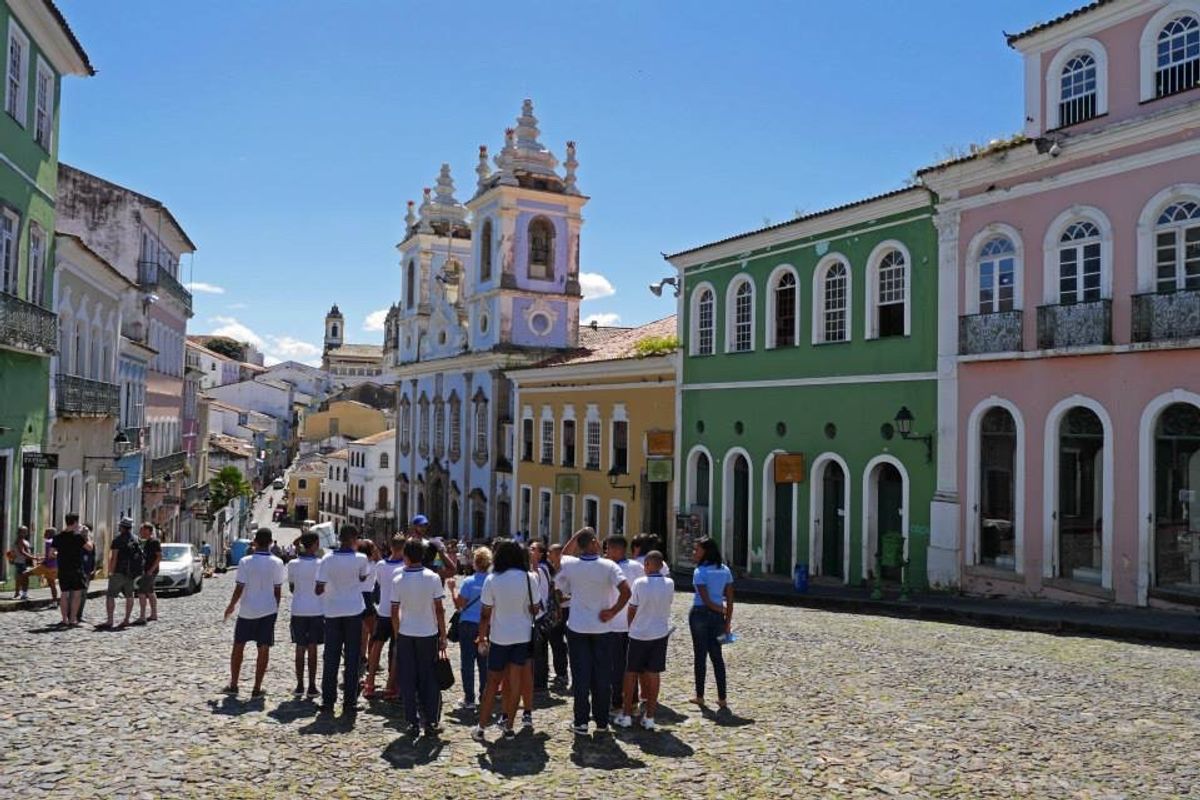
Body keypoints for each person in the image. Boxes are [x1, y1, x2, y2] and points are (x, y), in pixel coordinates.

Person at [556, 527, 630, 736]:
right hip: (602, 628)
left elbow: (564, 554)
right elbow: (626, 591)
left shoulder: (571, 565)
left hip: (577, 627)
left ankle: (581, 721)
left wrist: (579, 533)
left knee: (580, 676)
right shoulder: (609, 566)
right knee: (602, 676)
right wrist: (613, 611)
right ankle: (601, 721)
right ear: (594, 543)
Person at [471, 539, 540, 742]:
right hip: (522, 635)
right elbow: (535, 609)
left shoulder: (492, 579)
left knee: (492, 682)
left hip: (500, 636)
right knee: (515, 680)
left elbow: (485, 614)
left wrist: (482, 636)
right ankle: (509, 726)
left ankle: (481, 727)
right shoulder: (529, 578)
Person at [390, 537, 448, 737]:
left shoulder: (398, 579)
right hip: (428, 633)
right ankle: (431, 720)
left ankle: (412, 721)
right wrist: (443, 634)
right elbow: (439, 609)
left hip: (406, 633)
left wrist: (397, 634)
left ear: (405, 556)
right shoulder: (433, 578)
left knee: (407, 678)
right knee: (429, 678)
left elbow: (394, 611)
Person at [315, 525, 371, 714]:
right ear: (354, 539)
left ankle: (328, 701)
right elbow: (363, 579)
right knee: (352, 658)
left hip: (332, 612)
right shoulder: (361, 559)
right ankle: (350, 701)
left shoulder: (327, 559)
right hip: (353, 611)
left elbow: (319, 588)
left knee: (331, 657)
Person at [223, 527, 285, 697]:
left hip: (247, 610)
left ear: (255, 542)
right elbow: (277, 591)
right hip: (268, 610)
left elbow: (239, 588)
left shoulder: (245, 561)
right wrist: (275, 609)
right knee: (263, 648)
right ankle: (257, 688)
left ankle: (234, 684)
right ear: (271, 543)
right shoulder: (278, 563)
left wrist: (231, 605)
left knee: (238, 646)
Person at [617, 551, 674, 730]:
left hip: (639, 634)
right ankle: (650, 716)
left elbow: (632, 608)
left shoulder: (640, 583)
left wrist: (630, 627)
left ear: (647, 564)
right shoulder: (670, 583)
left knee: (631, 672)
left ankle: (627, 714)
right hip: (660, 633)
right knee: (654, 673)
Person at [689, 537, 734, 709]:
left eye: (697, 549)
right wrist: (727, 621)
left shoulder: (699, 572)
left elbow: (706, 600)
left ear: (706, 552)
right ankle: (722, 698)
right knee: (717, 656)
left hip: (699, 615)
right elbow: (730, 599)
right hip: (717, 619)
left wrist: (720, 609)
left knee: (700, 655)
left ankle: (700, 696)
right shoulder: (725, 570)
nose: (694, 552)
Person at [604, 535, 645, 717]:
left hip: (614, 625)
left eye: (608, 549)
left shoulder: (609, 568)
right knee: (631, 666)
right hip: (633, 624)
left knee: (615, 667)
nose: (606, 552)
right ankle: (632, 702)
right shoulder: (637, 567)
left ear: (617, 549)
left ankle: (617, 703)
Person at [363, 535, 405, 698]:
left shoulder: (380, 565)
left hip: (383, 610)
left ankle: (370, 682)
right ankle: (390, 685)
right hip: (398, 613)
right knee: (396, 648)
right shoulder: (403, 567)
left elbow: (379, 583)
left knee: (377, 646)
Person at [449, 546, 489, 711]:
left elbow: (459, 605)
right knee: (484, 662)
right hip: (486, 625)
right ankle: (485, 695)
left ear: (475, 563)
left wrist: (452, 589)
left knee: (467, 662)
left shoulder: (469, 582)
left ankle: (469, 698)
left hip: (468, 624)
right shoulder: (492, 582)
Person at [287, 532, 323, 697]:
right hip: (316, 610)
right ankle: (312, 686)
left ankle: (300, 685)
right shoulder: (321, 564)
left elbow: (292, 588)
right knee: (313, 648)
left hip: (298, 609)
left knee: (300, 648)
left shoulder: (293, 564)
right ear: (315, 544)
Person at [100, 518, 141, 630]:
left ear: (122, 527)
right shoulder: (136, 539)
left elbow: (114, 557)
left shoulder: (117, 540)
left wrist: (111, 571)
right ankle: (127, 619)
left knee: (110, 596)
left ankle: (110, 620)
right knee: (129, 596)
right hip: (131, 573)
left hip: (118, 571)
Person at [52, 514, 91, 627]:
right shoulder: (77, 537)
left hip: (63, 568)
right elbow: (89, 548)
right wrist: (86, 535)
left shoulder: (58, 537)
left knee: (64, 593)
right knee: (76, 594)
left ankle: (64, 619)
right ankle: (73, 618)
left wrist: (60, 554)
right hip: (76, 568)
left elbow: (51, 553)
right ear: (74, 523)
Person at [528, 541, 553, 693]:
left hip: (538, 616)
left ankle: (538, 682)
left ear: (540, 554)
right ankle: (539, 681)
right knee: (540, 650)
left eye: (533, 549)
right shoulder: (539, 570)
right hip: (540, 615)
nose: (530, 551)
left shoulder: (540, 571)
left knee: (538, 651)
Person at [546, 544, 569, 688]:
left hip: (567, 610)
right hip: (555, 611)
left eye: (551, 552)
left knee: (569, 644)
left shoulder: (568, 571)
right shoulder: (550, 570)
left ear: (559, 554)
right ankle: (561, 673)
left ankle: (570, 675)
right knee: (556, 643)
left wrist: (563, 598)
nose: (548, 555)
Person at [135, 523, 162, 625]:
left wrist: (151, 570)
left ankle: (142, 616)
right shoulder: (146, 542)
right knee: (150, 591)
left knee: (141, 592)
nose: (140, 532)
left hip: (150, 571)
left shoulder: (154, 542)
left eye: (142, 530)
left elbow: (159, 556)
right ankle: (153, 614)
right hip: (146, 570)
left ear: (148, 531)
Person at [26, 528, 58, 602]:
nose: (44, 534)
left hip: (47, 566)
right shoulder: (56, 542)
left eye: (46, 532)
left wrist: (50, 557)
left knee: (25, 574)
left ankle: (24, 593)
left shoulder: (49, 542)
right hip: (54, 566)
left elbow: (52, 554)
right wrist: (44, 559)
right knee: (52, 585)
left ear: (50, 534)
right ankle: (54, 602)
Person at [77, 524, 97, 620]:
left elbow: (93, 557)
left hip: (87, 571)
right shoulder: (77, 542)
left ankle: (79, 614)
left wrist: (94, 569)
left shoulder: (91, 543)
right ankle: (72, 614)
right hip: (77, 571)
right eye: (83, 531)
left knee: (83, 594)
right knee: (75, 594)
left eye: (86, 531)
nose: (85, 533)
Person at [10, 525, 33, 600]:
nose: (25, 533)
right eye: (23, 531)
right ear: (19, 532)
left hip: (23, 562)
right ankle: (21, 594)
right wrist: (33, 557)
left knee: (21, 578)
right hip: (21, 562)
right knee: (23, 578)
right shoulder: (20, 541)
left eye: (26, 531)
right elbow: (22, 552)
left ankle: (20, 593)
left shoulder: (23, 541)